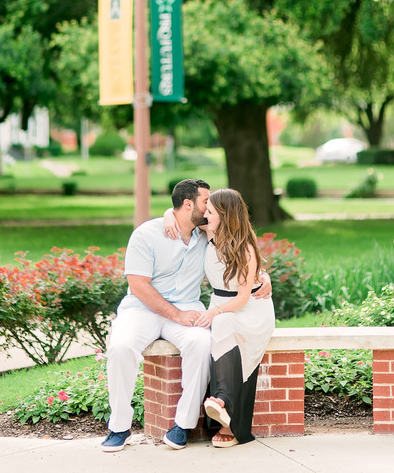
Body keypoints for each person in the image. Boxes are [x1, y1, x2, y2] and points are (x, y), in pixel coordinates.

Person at [101, 179, 271, 453]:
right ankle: (119, 426)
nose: (209, 209)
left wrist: (263, 276)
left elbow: (239, 248)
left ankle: (183, 425)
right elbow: (138, 286)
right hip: (141, 310)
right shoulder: (146, 234)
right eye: (206, 202)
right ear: (188, 204)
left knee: (202, 344)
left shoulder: (205, 232)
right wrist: (175, 314)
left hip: (188, 308)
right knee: (120, 347)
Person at [163, 188, 275, 447]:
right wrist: (169, 213)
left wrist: (215, 311)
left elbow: (243, 296)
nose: (205, 214)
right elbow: (182, 215)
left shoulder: (245, 247)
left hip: (249, 309)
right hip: (222, 305)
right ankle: (220, 403)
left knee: (221, 323)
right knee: (219, 326)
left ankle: (223, 403)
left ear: (224, 215)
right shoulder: (209, 231)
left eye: (210, 212)